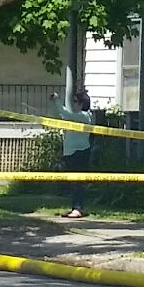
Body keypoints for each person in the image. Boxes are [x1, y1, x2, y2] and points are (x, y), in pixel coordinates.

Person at [56, 90, 96, 218]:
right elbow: (63, 115)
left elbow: (65, 113)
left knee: (78, 182)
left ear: (81, 103)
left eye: (75, 102)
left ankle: (78, 209)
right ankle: (75, 207)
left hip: (79, 153)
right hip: (71, 153)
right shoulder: (77, 117)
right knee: (73, 182)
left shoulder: (84, 116)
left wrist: (56, 100)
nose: (73, 104)